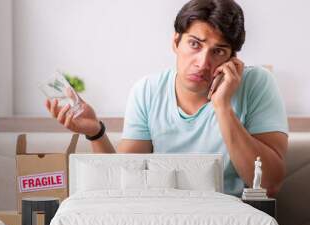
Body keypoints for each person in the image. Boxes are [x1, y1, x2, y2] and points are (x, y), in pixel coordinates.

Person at [45, 0, 288, 198]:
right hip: (163, 218)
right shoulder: (148, 90)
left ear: (232, 59)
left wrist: (222, 107)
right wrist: (96, 133)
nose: (203, 63)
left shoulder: (257, 84)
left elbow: (268, 185)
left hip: (235, 224)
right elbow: (123, 183)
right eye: (195, 44)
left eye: (218, 51)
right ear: (176, 42)